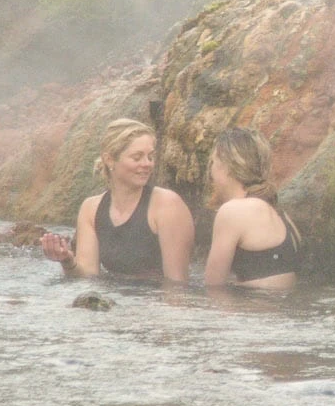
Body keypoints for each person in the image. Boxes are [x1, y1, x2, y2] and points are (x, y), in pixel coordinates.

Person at [41, 117, 194, 281]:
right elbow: (88, 276)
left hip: (155, 302)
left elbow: (177, 286)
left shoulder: (166, 204)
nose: (147, 164)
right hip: (113, 301)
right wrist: (68, 261)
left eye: (150, 157)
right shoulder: (91, 208)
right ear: (109, 160)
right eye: (137, 157)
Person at [203, 126, 301, 290]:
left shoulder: (232, 212)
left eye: (213, 162)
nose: (210, 172)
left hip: (252, 309)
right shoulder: (282, 216)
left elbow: (213, 287)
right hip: (282, 308)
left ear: (227, 166)